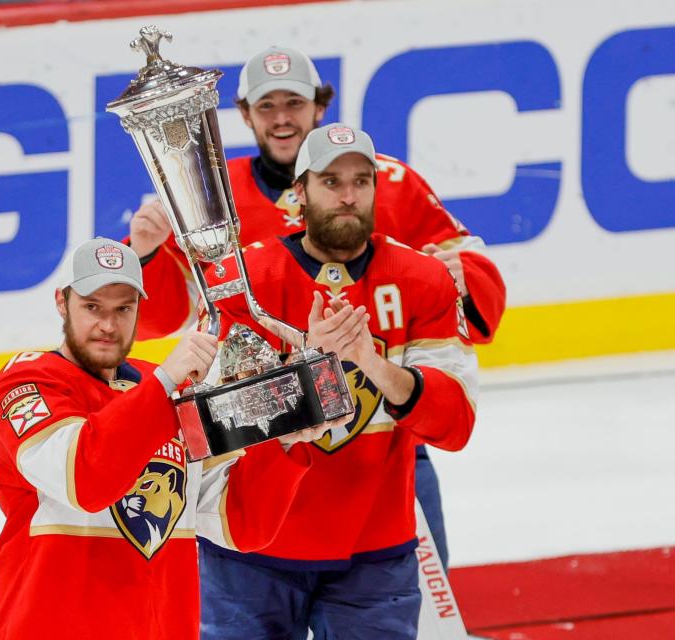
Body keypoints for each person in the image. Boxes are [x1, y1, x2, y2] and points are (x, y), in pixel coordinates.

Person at [128, 45, 505, 569]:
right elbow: (164, 320)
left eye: (294, 103)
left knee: (419, 599)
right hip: (271, 439)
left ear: (319, 107)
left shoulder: (388, 180)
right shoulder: (212, 195)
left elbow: (468, 282)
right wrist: (148, 254)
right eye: (267, 106)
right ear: (244, 114)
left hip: (385, 435)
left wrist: (462, 279)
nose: (282, 118)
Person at [0, 237, 345, 640]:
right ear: (61, 303)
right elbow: (85, 479)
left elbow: (240, 523)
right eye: (92, 307)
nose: (108, 324)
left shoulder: (167, 393)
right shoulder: (30, 380)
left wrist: (284, 440)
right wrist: (164, 381)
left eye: (123, 308)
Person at [197, 124, 478, 639]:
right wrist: (310, 364)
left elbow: (455, 423)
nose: (349, 196)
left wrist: (371, 362)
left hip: (373, 554)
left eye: (361, 181)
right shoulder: (243, 283)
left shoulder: (422, 280)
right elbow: (209, 424)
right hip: (251, 547)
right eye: (330, 182)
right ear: (298, 192)